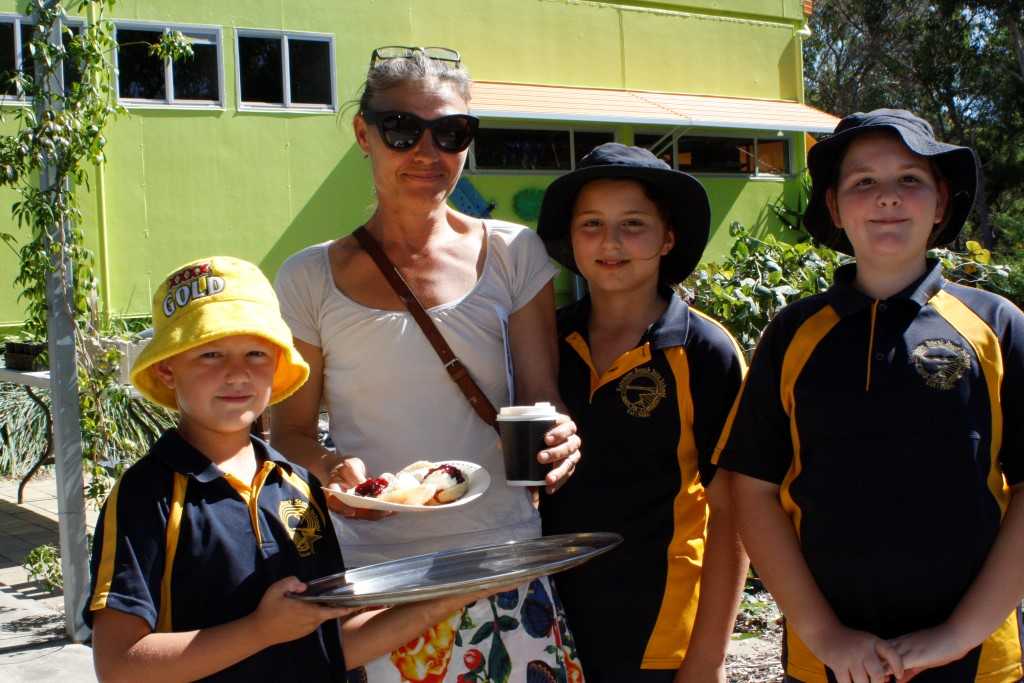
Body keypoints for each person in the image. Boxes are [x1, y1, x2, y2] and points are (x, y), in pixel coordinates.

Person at [271, 47, 585, 682]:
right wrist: (334, 472)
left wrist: (559, 438)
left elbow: (540, 396)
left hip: (501, 561)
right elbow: (290, 432)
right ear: (364, 134)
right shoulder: (310, 276)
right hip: (378, 577)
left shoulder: (513, 254)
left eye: (450, 132)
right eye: (401, 130)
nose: (426, 152)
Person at [714, 109, 1024, 683]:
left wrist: (959, 635)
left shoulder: (996, 325)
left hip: (977, 658)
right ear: (834, 207)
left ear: (941, 203)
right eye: (864, 182)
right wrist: (824, 634)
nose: (887, 198)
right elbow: (753, 491)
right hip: (828, 658)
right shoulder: (794, 332)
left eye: (910, 179)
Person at [86, 256, 502, 682]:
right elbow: (119, 666)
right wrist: (259, 630)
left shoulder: (297, 484)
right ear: (167, 370)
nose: (237, 373)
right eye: (210, 354)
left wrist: (451, 593)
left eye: (255, 353)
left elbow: (334, 642)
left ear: (278, 364)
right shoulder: (146, 493)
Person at [535, 143, 749, 682]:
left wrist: (708, 658)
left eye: (633, 224)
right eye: (591, 224)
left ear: (668, 237)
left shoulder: (704, 351)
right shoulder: (545, 341)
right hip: (545, 622)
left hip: (661, 633)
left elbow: (735, 514)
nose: (610, 242)